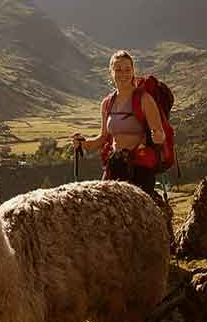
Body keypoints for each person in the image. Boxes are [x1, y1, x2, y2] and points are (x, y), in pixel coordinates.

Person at [72, 50, 175, 248]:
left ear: (133, 71)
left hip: (140, 165)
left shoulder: (144, 99)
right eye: (118, 69)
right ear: (111, 72)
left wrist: (157, 137)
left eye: (127, 69)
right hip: (116, 163)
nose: (123, 73)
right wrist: (82, 144)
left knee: (137, 217)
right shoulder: (107, 103)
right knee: (102, 209)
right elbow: (103, 139)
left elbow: (159, 133)